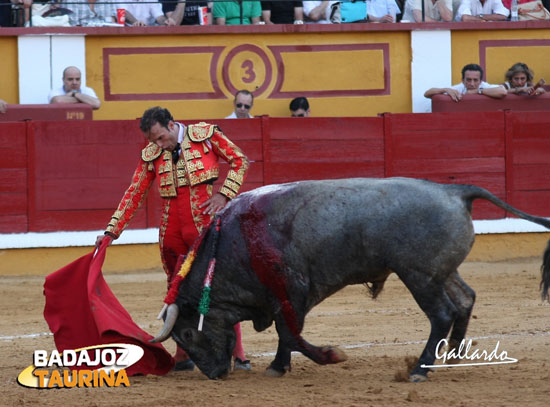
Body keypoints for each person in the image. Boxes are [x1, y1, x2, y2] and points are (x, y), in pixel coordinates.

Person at [95, 106, 251, 372]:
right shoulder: (152, 154)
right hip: (171, 231)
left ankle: (238, 353)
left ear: (170, 124)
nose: (159, 144)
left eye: (160, 137)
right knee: (176, 290)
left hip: (204, 225)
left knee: (215, 287)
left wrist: (224, 195)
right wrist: (112, 231)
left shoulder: (206, 135)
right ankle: (182, 354)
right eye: (153, 141)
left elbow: (240, 160)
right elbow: (134, 192)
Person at [424, 63, 507, 101]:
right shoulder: (459, 88)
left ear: (480, 81)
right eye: (468, 80)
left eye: (475, 80)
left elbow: (503, 92)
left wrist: (478, 91)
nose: (472, 84)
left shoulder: (484, 86)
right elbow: (427, 94)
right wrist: (445, 90)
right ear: (462, 80)